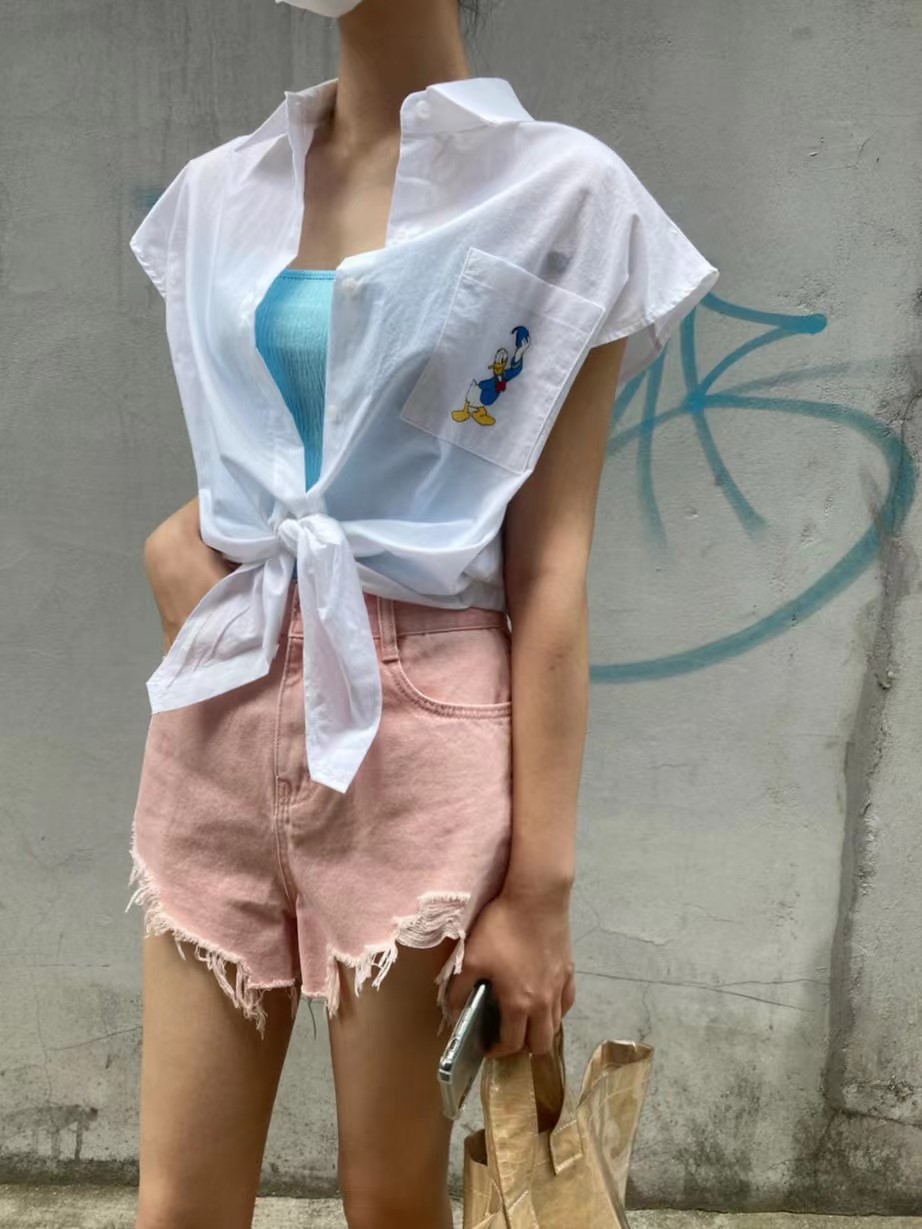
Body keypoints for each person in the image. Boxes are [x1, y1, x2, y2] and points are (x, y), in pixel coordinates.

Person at [126, 0, 719, 1225]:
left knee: (390, 1196)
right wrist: (179, 549)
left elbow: (548, 567)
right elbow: (276, 454)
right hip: (217, 719)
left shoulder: (563, 195)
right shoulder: (218, 191)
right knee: (178, 1199)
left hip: (420, 725)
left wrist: (539, 892)